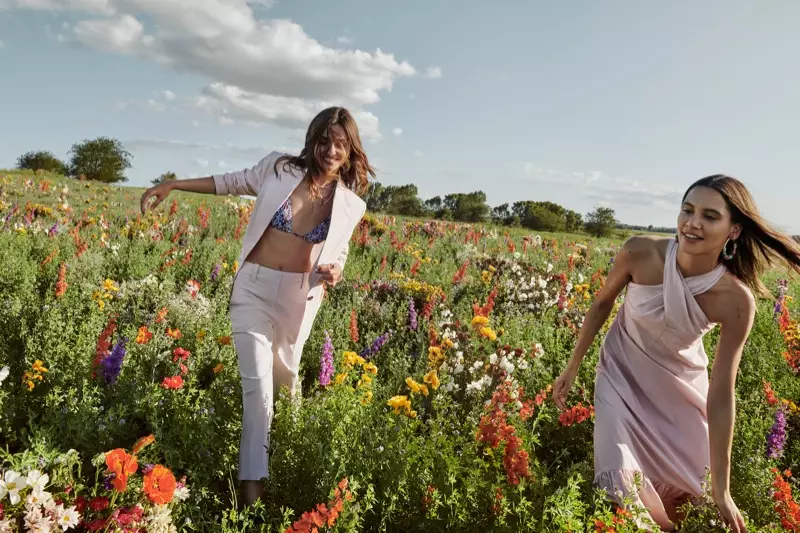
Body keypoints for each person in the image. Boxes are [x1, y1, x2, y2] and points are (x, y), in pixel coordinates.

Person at [140, 106, 373, 506]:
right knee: (259, 395)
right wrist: (174, 184)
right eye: (324, 140)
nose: (330, 150)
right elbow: (230, 182)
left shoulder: (352, 204)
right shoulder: (279, 168)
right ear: (312, 140)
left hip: (299, 300)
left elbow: (341, 250)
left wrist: (336, 271)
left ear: (351, 151)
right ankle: (251, 503)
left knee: (287, 390)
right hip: (253, 291)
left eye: (340, 144)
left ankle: (294, 472)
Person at [552, 175, 800, 532]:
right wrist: (572, 367)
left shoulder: (736, 300)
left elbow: (721, 392)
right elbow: (602, 303)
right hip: (618, 377)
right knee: (620, 479)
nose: (692, 223)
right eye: (687, 210)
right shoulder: (640, 251)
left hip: (679, 392)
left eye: (710, 216)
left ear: (734, 230)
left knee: (688, 498)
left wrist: (723, 490)